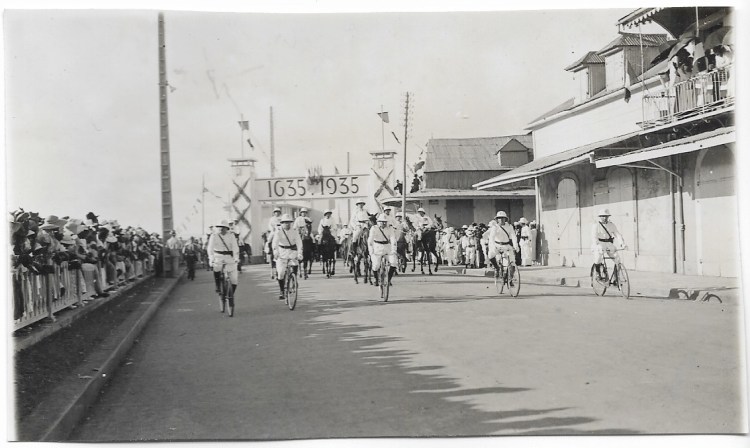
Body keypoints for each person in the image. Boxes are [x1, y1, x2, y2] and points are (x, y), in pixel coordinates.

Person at [207, 221, 240, 307]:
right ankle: (218, 285)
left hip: (229, 257)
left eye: (223, 227)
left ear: (227, 228)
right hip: (218, 256)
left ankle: (230, 295)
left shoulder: (231, 235)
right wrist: (211, 259)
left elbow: (235, 247)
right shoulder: (214, 236)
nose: (221, 229)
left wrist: (236, 257)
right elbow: (210, 248)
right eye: (219, 227)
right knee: (216, 268)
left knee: (234, 280)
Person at [272, 214, 303, 300]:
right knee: (281, 273)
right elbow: (275, 242)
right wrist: (275, 251)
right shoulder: (278, 231)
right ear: (282, 223)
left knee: (295, 264)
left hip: (292, 251)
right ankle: (282, 290)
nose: (287, 224)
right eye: (285, 222)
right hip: (281, 252)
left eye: (289, 222)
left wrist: (300, 253)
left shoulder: (294, 231)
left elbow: (299, 242)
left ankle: (294, 279)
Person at [591, 208, 625, 281]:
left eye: (606, 216)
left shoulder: (611, 225)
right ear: (600, 216)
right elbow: (594, 237)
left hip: (609, 243)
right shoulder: (596, 225)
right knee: (598, 258)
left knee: (618, 259)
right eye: (603, 216)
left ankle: (616, 277)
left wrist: (622, 243)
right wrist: (597, 245)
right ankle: (598, 273)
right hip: (599, 243)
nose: (605, 218)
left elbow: (617, 234)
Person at [368, 213, 397, 287]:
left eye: (385, 222)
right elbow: (370, 241)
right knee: (376, 266)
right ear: (378, 222)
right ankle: (376, 279)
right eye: (382, 221)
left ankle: (388, 279)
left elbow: (393, 239)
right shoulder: (374, 228)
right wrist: (371, 252)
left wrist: (394, 250)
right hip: (377, 248)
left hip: (387, 248)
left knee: (394, 262)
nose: (384, 223)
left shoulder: (390, 228)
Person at [488, 211, 519, 276]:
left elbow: (513, 236)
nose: (501, 219)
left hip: (506, 245)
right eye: (499, 218)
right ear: (497, 219)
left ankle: (510, 277)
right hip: (497, 245)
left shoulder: (509, 226)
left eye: (503, 218)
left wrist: (516, 245)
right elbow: (491, 238)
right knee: (490, 255)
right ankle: (496, 268)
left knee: (512, 261)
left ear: (505, 219)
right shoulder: (495, 227)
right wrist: (493, 247)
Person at [267, 207, 283, 278]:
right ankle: (268, 249)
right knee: (269, 239)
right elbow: (270, 225)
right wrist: (272, 229)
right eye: (276, 212)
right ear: (274, 213)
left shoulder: (282, 218)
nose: (277, 213)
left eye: (278, 212)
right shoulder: (272, 219)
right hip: (274, 231)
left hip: (281, 231)